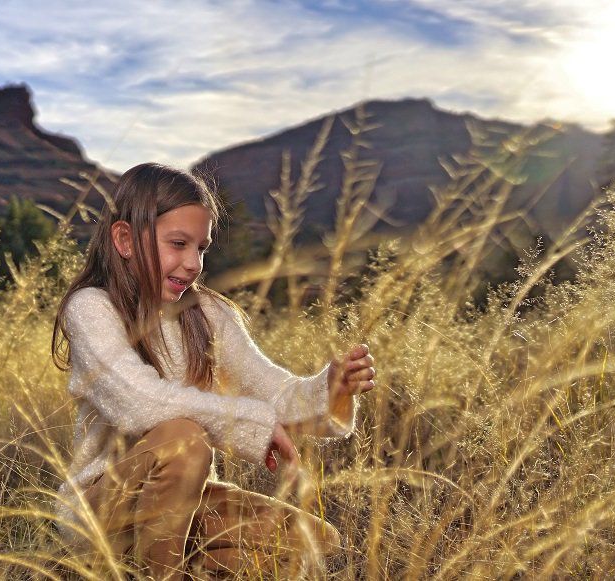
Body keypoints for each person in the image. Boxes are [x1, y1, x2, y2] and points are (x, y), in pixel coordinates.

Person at [50, 162, 376, 579]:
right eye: (178, 243)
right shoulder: (92, 308)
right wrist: (241, 420)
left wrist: (330, 390)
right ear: (125, 240)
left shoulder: (208, 313)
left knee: (315, 541)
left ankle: (173, 565)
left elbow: (273, 394)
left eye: (201, 248)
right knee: (185, 438)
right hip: (101, 511)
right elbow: (138, 402)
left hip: (188, 505)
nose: (193, 264)